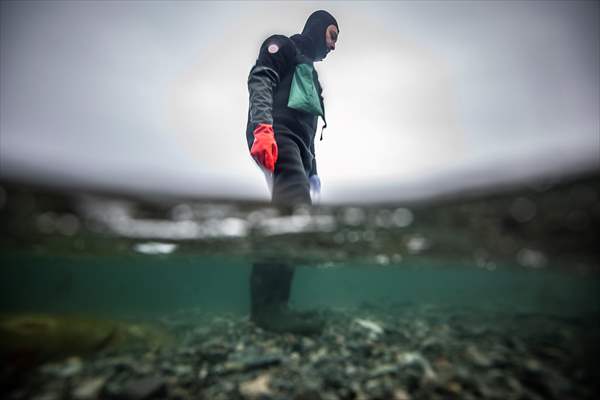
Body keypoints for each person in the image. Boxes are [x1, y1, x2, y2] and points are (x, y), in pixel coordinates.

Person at [245, 10, 339, 334]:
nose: (333, 46)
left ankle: (276, 307)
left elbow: (309, 132)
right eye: (332, 35)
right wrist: (262, 128)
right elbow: (260, 79)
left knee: (294, 221)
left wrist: (313, 172)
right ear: (317, 29)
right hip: (275, 134)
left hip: (298, 149)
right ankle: (266, 311)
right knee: (290, 218)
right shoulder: (282, 47)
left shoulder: (312, 78)